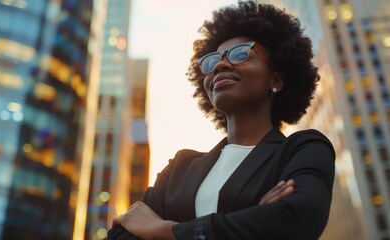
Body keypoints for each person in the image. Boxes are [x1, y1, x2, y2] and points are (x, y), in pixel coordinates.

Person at [108, 1, 335, 239]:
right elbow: (120, 234)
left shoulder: (302, 149)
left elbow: (297, 218)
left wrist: (161, 229)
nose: (220, 65)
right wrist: (253, 219)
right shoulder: (180, 167)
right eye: (212, 60)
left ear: (276, 81)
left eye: (241, 54)